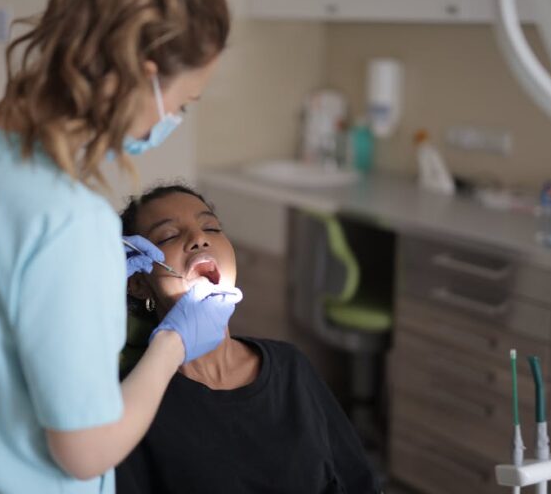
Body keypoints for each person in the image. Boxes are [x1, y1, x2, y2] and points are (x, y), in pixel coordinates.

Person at [0, 0, 240, 492]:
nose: (172, 120)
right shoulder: (70, 222)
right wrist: (173, 343)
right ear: (144, 75)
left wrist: (64, 289)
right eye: (183, 104)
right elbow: (85, 452)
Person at [116, 185, 381, 494]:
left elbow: (358, 481)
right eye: (169, 236)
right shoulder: (132, 402)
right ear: (138, 283)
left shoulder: (289, 365)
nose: (200, 239)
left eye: (211, 227)